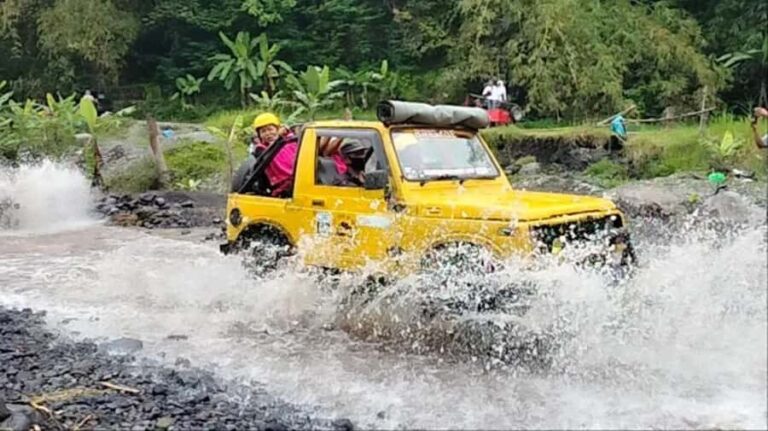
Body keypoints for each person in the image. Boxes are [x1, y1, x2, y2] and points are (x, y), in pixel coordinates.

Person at [251, 112, 299, 197]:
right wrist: (278, 139)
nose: (267, 133)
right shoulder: (260, 148)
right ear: (259, 135)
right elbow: (268, 154)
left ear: (277, 129)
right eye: (263, 131)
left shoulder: (290, 140)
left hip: (300, 176)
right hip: (282, 185)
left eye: (270, 129)